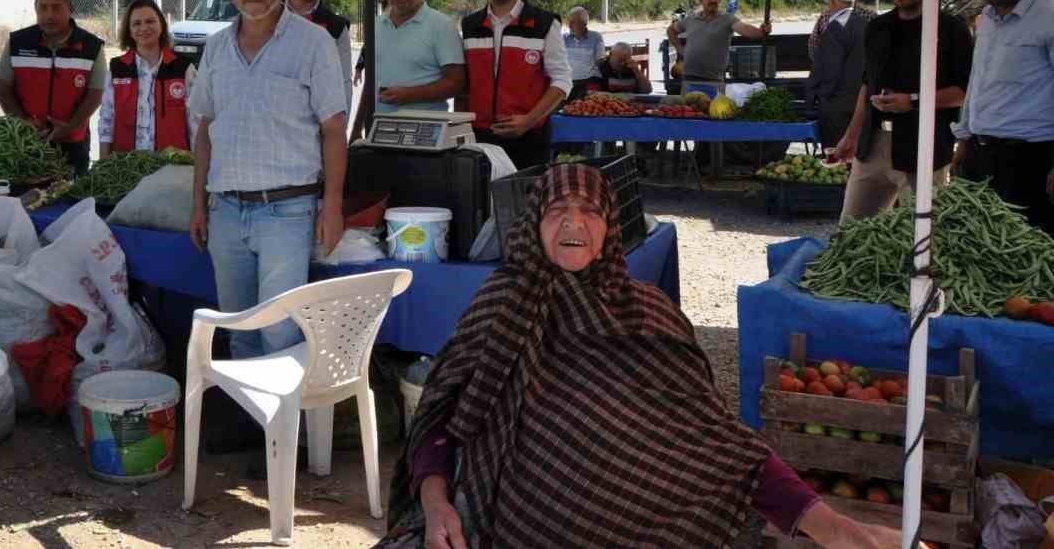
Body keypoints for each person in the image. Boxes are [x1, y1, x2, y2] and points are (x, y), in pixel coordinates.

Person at [376, 164, 909, 549]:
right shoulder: (501, 305)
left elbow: (716, 444)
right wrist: (434, 502)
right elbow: (443, 418)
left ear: (610, 227)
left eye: (589, 212)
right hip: (502, 516)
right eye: (557, 211)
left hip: (644, 522)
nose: (573, 225)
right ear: (533, 224)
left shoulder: (646, 316)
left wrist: (833, 528)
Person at [188, 0, 348, 363]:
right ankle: (250, 428)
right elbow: (205, 128)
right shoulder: (217, 47)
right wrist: (199, 204)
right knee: (239, 330)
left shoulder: (314, 43)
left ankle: (282, 429)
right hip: (225, 212)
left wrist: (332, 207)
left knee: (279, 333)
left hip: (287, 213)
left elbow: (334, 129)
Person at [829, 0, 973, 221]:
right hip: (873, 146)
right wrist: (850, 137)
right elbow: (867, 84)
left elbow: (964, 91)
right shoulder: (877, 27)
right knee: (850, 233)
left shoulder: (952, 29)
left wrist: (914, 101)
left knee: (922, 241)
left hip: (925, 148)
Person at [952, 0, 1054, 235]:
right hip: (980, 153)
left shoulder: (1049, 16)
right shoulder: (986, 17)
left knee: (1026, 247)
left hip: (1030, 160)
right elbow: (977, 79)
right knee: (978, 244)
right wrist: (964, 138)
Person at [457, 0, 572, 170]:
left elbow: (562, 81)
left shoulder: (544, 23)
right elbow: (465, 85)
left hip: (529, 139)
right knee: (481, 204)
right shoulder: (470, 25)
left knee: (525, 204)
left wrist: (529, 120)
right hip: (480, 139)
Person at [0, 0, 106, 176]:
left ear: (70, 8)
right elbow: (2, 88)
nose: (49, 15)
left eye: (56, 8)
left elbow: (95, 94)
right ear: (35, 8)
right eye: (43, 8)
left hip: (74, 144)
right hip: (26, 144)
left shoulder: (91, 46)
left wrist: (70, 127)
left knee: (73, 202)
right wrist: (24, 123)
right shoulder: (17, 42)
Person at [352, 0, 466, 137]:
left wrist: (410, 95)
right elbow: (370, 84)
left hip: (426, 139)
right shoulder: (376, 26)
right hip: (380, 135)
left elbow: (457, 83)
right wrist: (356, 132)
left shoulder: (442, 26)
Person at [97, 0, 195, 157]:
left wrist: (197, 166)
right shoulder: (117, 69)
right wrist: (103, 163)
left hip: (173, 167)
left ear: (161, 25)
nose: (144, 28)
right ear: (129, 31)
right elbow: (106, 120)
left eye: (150, 21)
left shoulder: (184, 68)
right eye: (136, 23)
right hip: (126, 166)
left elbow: (196, 123)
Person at [666, 0, 771, 94]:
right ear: (701, 0)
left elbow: (745, 29)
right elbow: (671, 30)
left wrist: (761, 31)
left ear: (720, 0)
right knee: (689, 110)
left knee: (715, 110)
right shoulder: (691, 19)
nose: (713, 1)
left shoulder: (727, 19)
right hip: (688, 79)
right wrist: (680, 49)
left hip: (714, 80)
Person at [285, 0, 354, 101]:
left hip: (314, 121)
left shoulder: (336, 28)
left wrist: (341, 124)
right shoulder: (267, 15)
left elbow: (343, 82)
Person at [806, 0, 869, 149]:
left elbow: (828, 69)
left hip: (837, 103)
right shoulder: (865, 24)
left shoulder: (835, 27)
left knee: (835, 153)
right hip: (861, 100)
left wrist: (814, 97)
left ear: (833, 1)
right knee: (857, 152)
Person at [561, 6, 605, 100]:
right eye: (569, 21)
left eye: (573, 22)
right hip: (569, 80)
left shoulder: (596, 37)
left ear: (584, 23)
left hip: (590, 80)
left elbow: (600, 60)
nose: (569, 25)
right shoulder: (563, 38)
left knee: (590, 102)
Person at [587, 42, 652, 94]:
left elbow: (647, 91)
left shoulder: (632, 68)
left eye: (625, 60)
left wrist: (637, 71)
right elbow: (592, 93)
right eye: (620, 60)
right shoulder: (599, 68)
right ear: (611, 55)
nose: (622, 63)